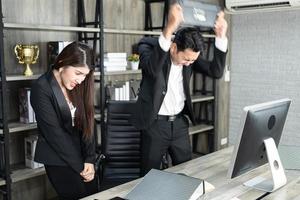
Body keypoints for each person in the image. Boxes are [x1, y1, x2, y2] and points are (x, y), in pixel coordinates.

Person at [131, 3, 228, 175]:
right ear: (174, 48)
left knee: (186, 173)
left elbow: (216, 71)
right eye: (186, 60)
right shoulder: (149, 46)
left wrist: (221, 37)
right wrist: (169, 28)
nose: (189, 64)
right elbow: (152, 69)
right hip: (154, 125)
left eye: (192, 61)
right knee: (148, 177)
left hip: (179, 125)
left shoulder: (190, 57)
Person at [31, 41, 97, 199]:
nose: (81, 80)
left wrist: (89, 159)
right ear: (62, 63)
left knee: (94, 195)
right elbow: (55, 135)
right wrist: (80, 167)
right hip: (57, 156)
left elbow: (87, 121)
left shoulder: (78, 85)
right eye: (78, 73)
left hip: (81, 154)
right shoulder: (41, 88)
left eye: (85, 75)